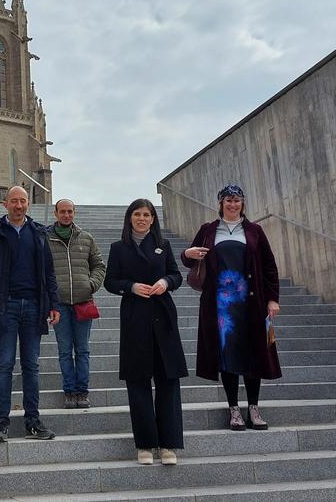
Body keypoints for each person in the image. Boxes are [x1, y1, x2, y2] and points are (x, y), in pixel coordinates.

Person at [182, 184, 281, 432]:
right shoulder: (208, 230)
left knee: (254, 352)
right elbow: (187, 260)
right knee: (227, 355)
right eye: (228, 200)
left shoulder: (254, 230)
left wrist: (272, 299)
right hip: (221, 306)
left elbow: (269, 266)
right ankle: (234, 409)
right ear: (221, 203)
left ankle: (254, 408)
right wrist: (188, 252)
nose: (233, 205)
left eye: (237, 201)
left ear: (243, 203)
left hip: (251, 302)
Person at [0, 185, 60, 442]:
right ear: (5, 205)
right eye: (14, 201)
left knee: (32, 366)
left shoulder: (38, 233)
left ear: (28, 205)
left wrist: (54, 304)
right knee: (5, 364)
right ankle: (1, 423)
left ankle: (33, 421)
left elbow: (49, 273)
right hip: (5, 306)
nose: (19, 206)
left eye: (23, 201)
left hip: (33, 306)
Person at [104, 198, 187, 466]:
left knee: (168, 382)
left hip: (163, 318)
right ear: (130, 218)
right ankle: (145, 444)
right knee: (138, 382)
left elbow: (177, 275)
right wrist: (130, 287)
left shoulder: (163, 246)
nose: (142, 219)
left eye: (147, 215)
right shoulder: (118, 248)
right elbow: (110, 281)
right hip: (135, 320)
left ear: (153, 219)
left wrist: (165, 282)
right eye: (137, 214)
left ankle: (168, 445)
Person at [46, 198, 106, 409]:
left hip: (83, 302)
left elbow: (99, 265)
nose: (66, 215)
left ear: (74, 213)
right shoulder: (46, 238)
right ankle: (69, 391)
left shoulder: (86, 238)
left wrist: (91, 285)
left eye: (70, 211)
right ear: (55, 213)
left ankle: (82, 391)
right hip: (59, 304)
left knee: (82, 350)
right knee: (64, 350)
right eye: (62, 211)